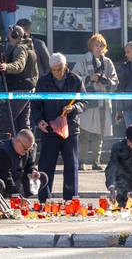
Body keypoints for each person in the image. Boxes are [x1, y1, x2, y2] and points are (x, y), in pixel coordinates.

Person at [31, 53, 87, 203]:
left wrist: (74, 108)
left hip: (70, 128)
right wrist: (39, 121)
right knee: (46, 164)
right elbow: (35, 104)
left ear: (65, 66)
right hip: (49, 128)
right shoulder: (43, 82)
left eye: (60, 69)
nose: (57, 73)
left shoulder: (75, 80)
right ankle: (43, 199)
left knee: (71, 165)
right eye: (54, 70)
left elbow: (84, 102)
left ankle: (70, 200)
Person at [72, 33, 118, 171]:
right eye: (96, 45)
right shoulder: (83, 60)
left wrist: (104, 79)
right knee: (84, 132)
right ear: (91, 46)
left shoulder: (108, 62)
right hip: (88, 101)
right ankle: (81, 161)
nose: (99, 48)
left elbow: (115, 81)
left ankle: (96, 161)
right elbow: (74, 78)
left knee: (99, 133)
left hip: (102, 102)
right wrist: (88, 78)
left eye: (101, 45)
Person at [0, 25, 38, 135]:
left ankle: (12, 148)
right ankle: (28, 149)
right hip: (26, 90)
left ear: (15, 35)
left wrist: (5, 67)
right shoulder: (29, 47)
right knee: (23, 124)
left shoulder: (20, 48)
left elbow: (19, 66)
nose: (8, 37)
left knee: (7, 121)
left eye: (9, 34)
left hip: (20, 90)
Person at [0, 129, 48, 198]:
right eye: (25, 148)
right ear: (17, 141)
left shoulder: (26, 148)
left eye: (29, 149)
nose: (26, 151)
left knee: (43, 177)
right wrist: (16, 194)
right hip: (3, 182)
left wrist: (33, 171)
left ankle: (24, 198)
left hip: (18, 179)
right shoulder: (3, 152)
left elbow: (30, 164)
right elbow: (6, 176)